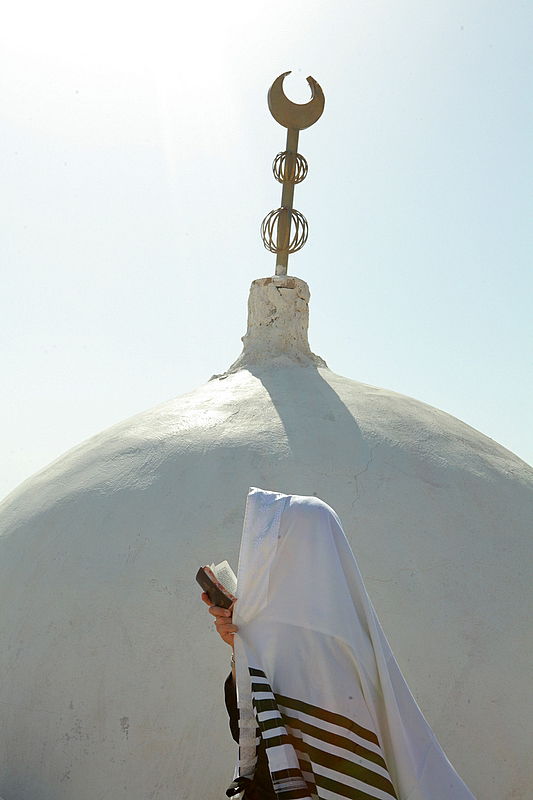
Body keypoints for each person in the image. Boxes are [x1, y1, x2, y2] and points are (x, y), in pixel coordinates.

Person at [202, 487, 476, 800]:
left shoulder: (338, 648)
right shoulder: (273, 640)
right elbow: (248, 737)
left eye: (271, 546)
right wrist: (240, 649)